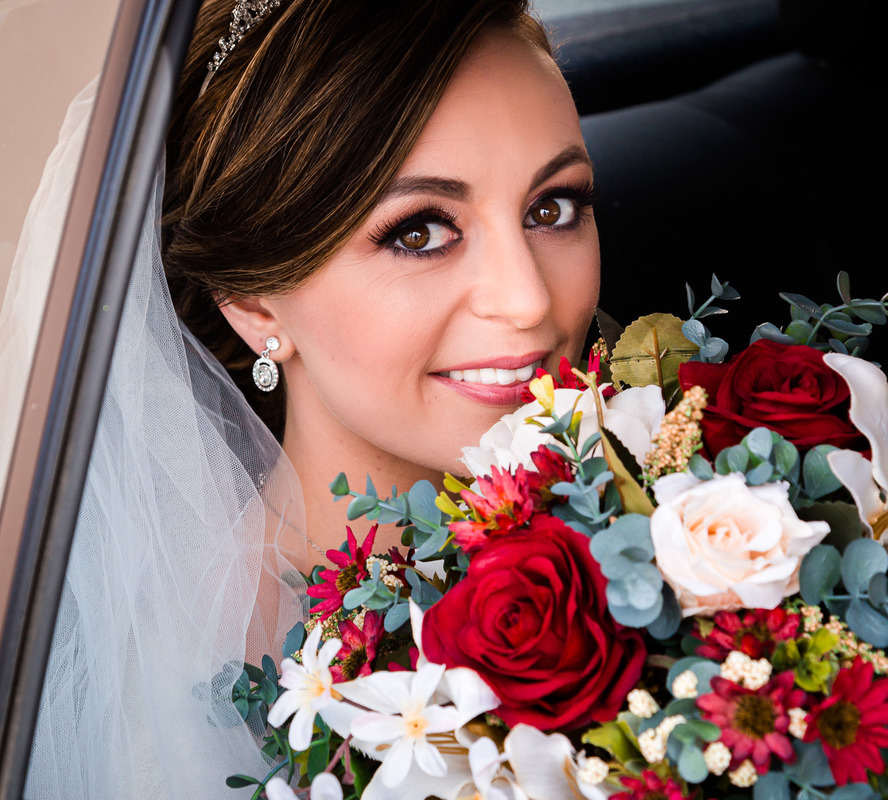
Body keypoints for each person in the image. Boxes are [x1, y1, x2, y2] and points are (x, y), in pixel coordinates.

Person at [19, 1, 600, 796]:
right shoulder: (193, 693)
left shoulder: (681, 496)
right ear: (254, 304)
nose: (529, 301)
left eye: (552, 208)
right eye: (421, 232)